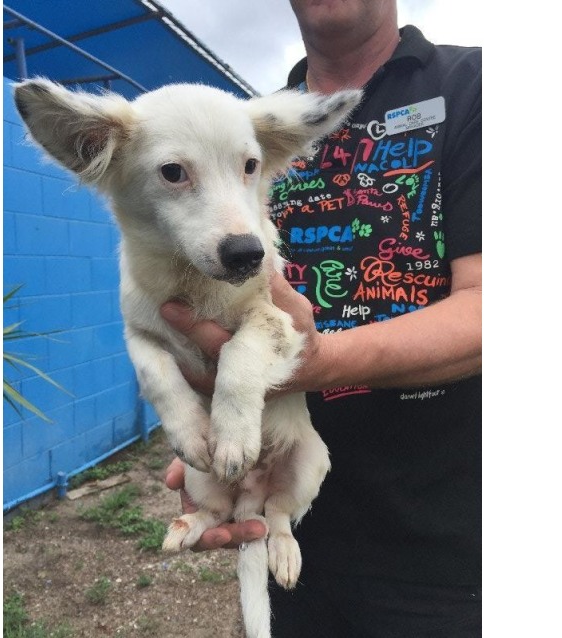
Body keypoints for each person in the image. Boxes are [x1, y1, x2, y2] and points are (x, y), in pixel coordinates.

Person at [162, 1, 481, 635]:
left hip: (448, 543)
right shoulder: (248, 127)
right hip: (295, 527)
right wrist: (201, 429)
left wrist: (315, 363)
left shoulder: (474, 87)